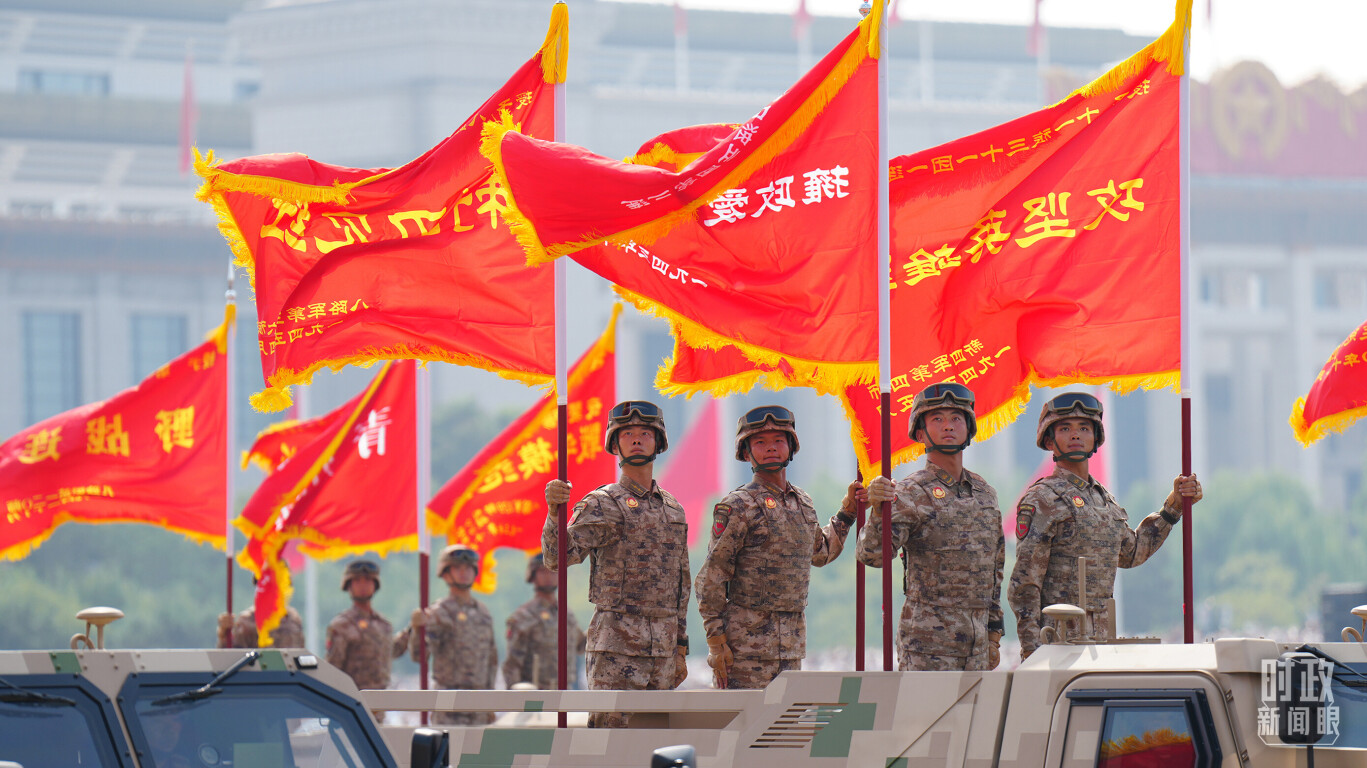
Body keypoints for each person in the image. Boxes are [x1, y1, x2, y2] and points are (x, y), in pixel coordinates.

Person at [1008, 391, 1203, 659]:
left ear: (1095, 438)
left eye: (1084, 428)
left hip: (1100, 644)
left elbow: (1132, 552)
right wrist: (1032, 650)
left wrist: (1174, 507)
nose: (1076, 435)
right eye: (1065, 428)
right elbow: (1025, 584)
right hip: (1057, 643)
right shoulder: (1042, 499)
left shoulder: (1103, 499)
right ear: (1050, 440)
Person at [543, 400, 690, 728]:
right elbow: (557, 557)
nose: (636, 439)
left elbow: (681, 584)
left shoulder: (674, 510)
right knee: (608, 748)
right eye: (627, 433)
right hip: (616, 649)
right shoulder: (602, 504)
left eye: (644, 433)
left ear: (658, 442)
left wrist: (680, 646)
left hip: (663, 651)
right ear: (615, 443)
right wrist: (554, 512)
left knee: (656, 743)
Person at [695, 405, 863, 689]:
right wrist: (716, 642)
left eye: (778, 441)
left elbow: (820, 553)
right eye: (760, 442)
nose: (770, 448)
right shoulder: (737, 505)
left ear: (791, 447)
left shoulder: (803, 503)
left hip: (791, 647)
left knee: (783, 730)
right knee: (744, 729)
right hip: (743, 651)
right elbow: (710, 579)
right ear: (746, 453)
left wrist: (848, 512)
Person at [857, 383, 1004, 671]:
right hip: (928, 645)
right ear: (921, 433)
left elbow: (995, 568)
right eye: (937, 419)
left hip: (977, 645)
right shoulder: (910, 492)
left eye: (956, 418)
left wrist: (995, 633)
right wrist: (877, 511)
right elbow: (872, 555)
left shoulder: (985, 493)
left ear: (969, 429)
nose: (948, 426)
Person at [410, 544, 498, 725]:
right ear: (446, 573)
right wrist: (418, 630)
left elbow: (491, 659)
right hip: (450, 705)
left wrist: (490, 701)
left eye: (468, 568)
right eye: (457, 568)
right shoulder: (438, 612)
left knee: (479, 753)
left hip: (479, 704)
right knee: (449, 752)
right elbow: (420, 655)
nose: (463, 573)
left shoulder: (483, 612)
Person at [503, 552, 586, 690]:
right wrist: (516, 697)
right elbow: (512, 664)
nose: (548, 576)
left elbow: (580, 644)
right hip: (535, 693)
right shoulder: (523, 616)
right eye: (543, 571)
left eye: (553, 571)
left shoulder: (566, 614)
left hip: (566, 691)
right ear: (533, 576)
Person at [325, 559, 411, 692]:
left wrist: (412, 631)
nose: (363, 585)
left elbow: (391, 651)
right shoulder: (342, 625)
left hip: (380, 701)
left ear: (375, 584)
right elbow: (332, 670)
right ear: (349, 585)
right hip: (352, 700)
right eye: (357, 581)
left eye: (368, 580)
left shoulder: (383, 625)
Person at [216, 591, 304, 649]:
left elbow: (301, 655)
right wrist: (224, 633)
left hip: (290, 676)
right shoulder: (247, 620)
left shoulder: (293, 619)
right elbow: (229, 658)